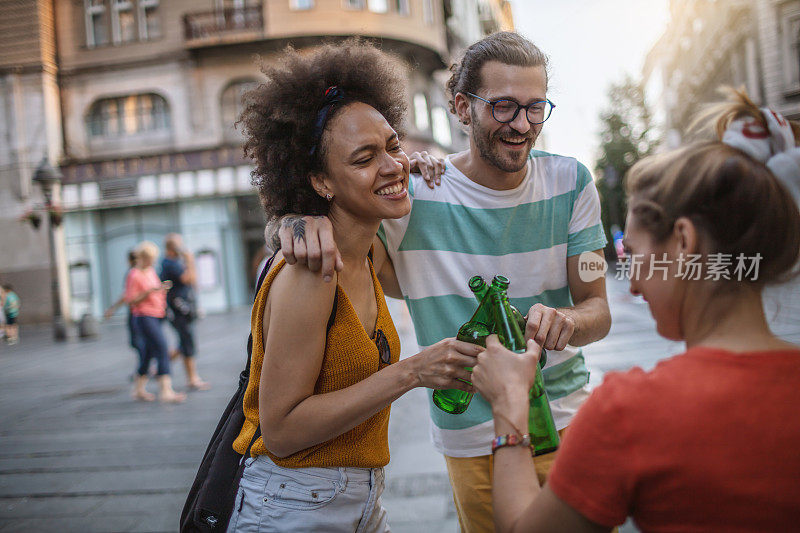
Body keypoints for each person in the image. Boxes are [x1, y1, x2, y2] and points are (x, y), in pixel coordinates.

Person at [277, 31, 611, 532]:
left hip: (572, 422)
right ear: (461, 106)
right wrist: (292, 221)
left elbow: (598, 309)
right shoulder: (410, 197)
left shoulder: (572, 182)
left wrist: (566, 320)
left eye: (535, 108)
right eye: (502, 107)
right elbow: (343, 229)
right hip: (472, 438)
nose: (521, 125)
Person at [470, 89, 800, 532]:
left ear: (683, 242)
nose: (634, 280)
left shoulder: (630, 412)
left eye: (633, 253)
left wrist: (510, 403)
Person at [226, 40, 482, 532]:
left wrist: (426, 166)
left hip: (359, 501)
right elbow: (280, 430)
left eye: (392, 146)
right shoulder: (311, 272)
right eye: (364, 158)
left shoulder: (368, 252)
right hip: (291, 506)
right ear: (321, 181)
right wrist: (411, 373)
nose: (389, 165)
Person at [125, 241, 185, 403]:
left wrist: (160, 290)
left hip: (156, 314)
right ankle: (166, 390)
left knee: (148, 353)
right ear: (143, 257)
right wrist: (151, 291)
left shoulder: (150, 271)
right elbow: (131, 300)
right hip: (144, 316)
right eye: (149, 257)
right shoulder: (134, 274)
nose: (152, 261)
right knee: (162, 348)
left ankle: (138, 389)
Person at [160, 233, 209, 390]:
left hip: (182, 307)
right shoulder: (170, 264)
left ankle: (161, 365)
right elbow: (190, 279)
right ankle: (192, 379)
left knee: (184, 341)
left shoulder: (172, 262)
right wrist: (190, 261)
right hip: (178, 309)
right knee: (187, 341)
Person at [104, 250, 147, 374]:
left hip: (136, 312)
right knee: (141, 341)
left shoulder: (132, 274)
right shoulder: (143, 272)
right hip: (145, 312)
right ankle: (145, 367)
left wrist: (113, 308)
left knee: (138, 342)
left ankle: (144, 368)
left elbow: (126, 295)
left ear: (128, 260)